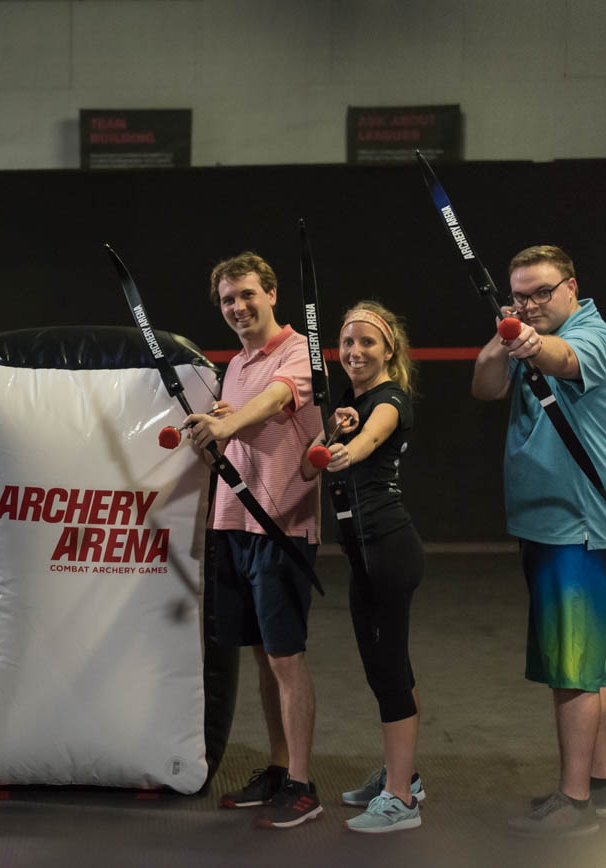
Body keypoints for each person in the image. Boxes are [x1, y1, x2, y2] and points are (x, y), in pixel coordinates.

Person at [470, 245, 606, 837]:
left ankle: (575, 802)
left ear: (571, 286)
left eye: (541, 292)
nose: (530, 304)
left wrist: (533, 343)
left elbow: (565, 360)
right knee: (591, 665)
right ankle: (603, 785)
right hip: (550, 526)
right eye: (519, 295)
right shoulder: (520, 332)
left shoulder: (593, 336)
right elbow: (485, 388)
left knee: (572, 670)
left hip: (579, 527)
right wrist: (502, 338)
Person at [183, 252, 323, 829]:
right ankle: (278, 764)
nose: (238, 307)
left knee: (287, 659)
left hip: (282, 527)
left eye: (246, 295)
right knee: (265, 657)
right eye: (227, 300)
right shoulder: (235, 364)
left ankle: (304, 784)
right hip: (234, 525)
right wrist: (219, 417)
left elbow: (278, 400)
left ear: (271, 294)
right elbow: (242, 416)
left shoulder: (296, 351)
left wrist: (227, 422)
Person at [303, 302, 425, 833]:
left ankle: (401, 800)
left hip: (387, 549)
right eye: (347, 342)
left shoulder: (389, 399)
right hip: (365, 551)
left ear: (388, 350)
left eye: (367, 343)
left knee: (388, 671)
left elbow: (372, 438)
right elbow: (318, 454)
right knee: (389, 666)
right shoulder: (352, 404)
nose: (354, 351)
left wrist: (346, 447)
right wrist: (332, 428)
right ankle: (406, 775)